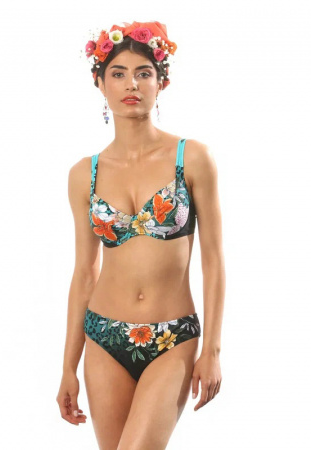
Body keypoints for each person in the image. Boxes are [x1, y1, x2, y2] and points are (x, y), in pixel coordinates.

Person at [56, 21, 225, 449]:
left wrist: (212, 350)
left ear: (161, 82)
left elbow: (213, 260)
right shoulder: (84, 174)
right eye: (118, 73)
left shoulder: (192, 158)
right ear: (100, 83)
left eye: (143, 73)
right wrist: (67, 367)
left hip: (173, 337)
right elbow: (84, 273)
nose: (131, 84)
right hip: (103, 336)